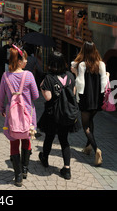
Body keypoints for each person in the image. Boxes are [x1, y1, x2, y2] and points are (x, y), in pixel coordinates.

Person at [0, 46, 39, 186]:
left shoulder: (5, 76)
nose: (27, 61)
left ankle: (17, 176)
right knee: (27, 140)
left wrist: (3, 109)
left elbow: (0, 98)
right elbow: (36, 95)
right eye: (25, 59)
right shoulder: (28, 75)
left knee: (14, 142)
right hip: (28, 114)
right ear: (19, 60)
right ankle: (25, 170)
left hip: (12, 115)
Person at [37, 51, 79, 180]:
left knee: (49, 137)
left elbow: (48, 97)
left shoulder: (49, 78)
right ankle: (67, 169)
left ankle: (45, 158)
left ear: (51, 63)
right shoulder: (70, 76)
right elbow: (73, 92)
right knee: (64, 140)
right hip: (66, 114)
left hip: (53, 114)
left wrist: (42, 88)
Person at [71, 41, 108, 166]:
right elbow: (104, 82)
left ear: (84, 51)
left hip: (86, 98)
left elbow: (80, 83)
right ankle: (88, 147)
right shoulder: (101, 64)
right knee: (91, 121)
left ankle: (96, 148)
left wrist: (78, 98)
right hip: (97, 99)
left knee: (85, 126)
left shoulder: (82, 65)